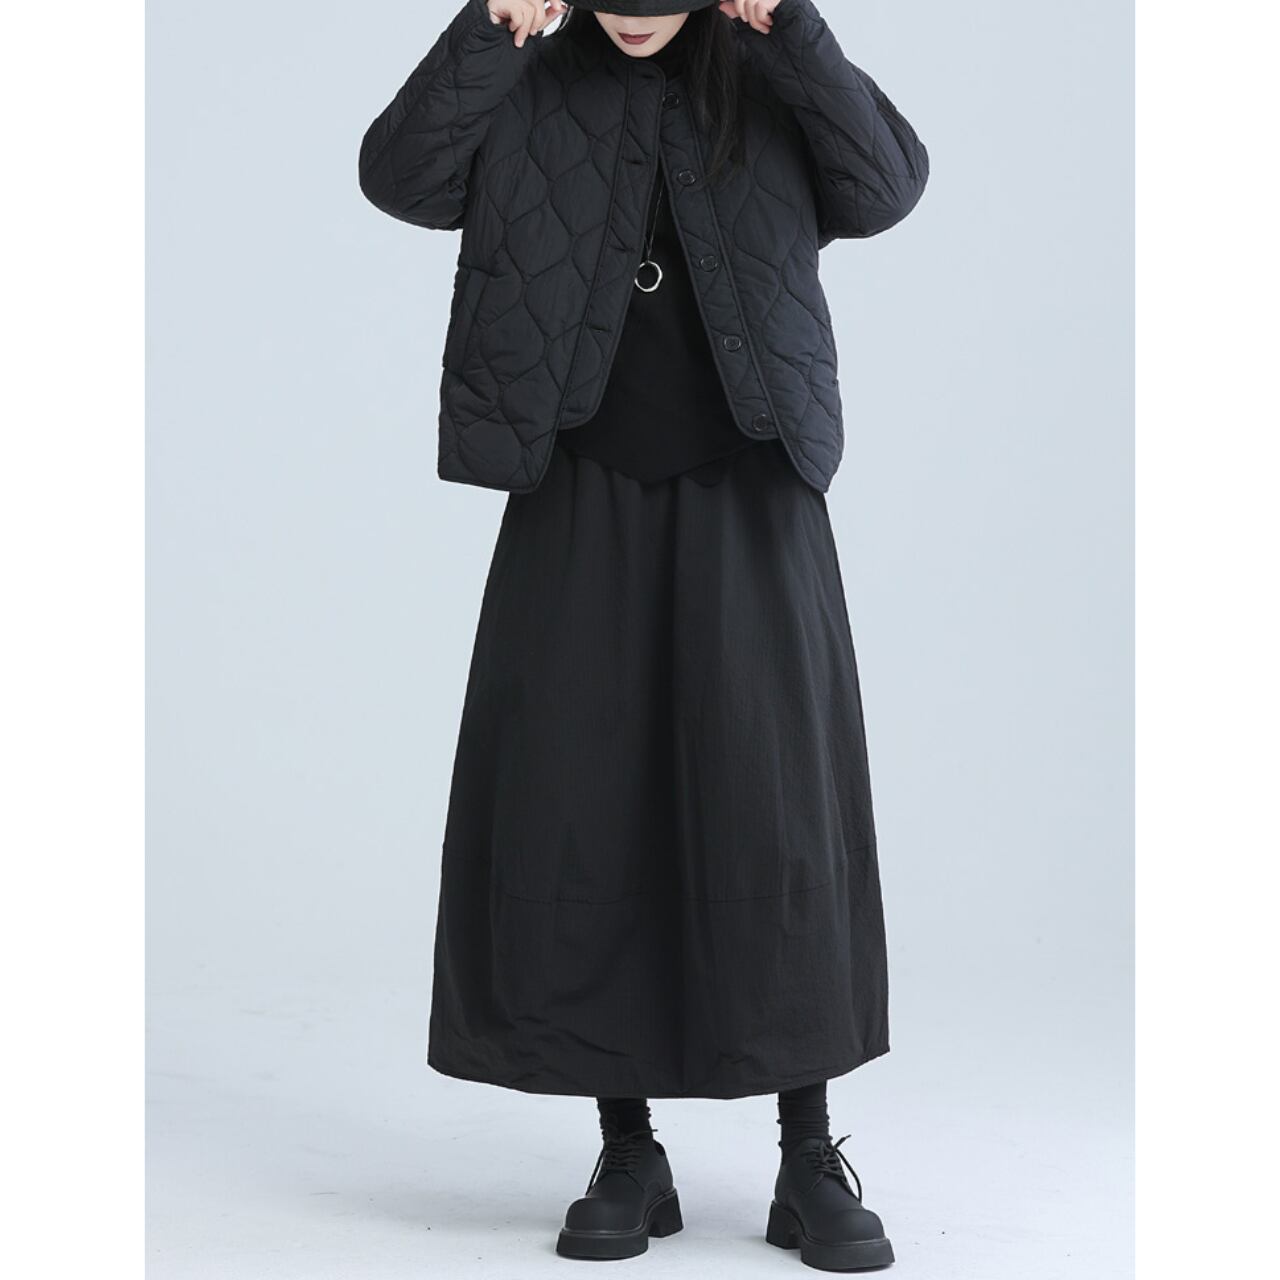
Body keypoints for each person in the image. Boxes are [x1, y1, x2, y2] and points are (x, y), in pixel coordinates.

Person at [358, 0, 929, 1269]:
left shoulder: (765, 69)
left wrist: (791, 31)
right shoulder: (530, 71)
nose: (630, 15)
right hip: (578, 482)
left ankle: (805, 1150)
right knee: (581, 804)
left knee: (775, 811)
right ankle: (627, 1147)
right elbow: (399, 177)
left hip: (753, 482)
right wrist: (489, 30)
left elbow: (884, 186)